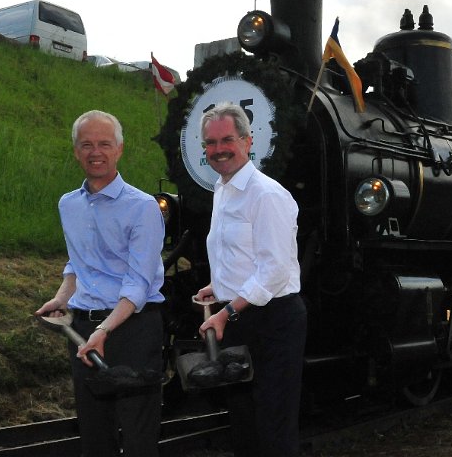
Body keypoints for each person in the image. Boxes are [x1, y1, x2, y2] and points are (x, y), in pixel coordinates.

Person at [35, 110, 166, 457]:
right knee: (94, 439)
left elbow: (138, 284)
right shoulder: (69, 204)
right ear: (76, 151)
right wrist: (61, 298)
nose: (96, 152)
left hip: (133, 330)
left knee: (139, 440)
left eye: (105, 144)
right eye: (87, 144)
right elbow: (78, 263)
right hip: (83, 330)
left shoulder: (143, 208)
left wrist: (104, 331)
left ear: (120, 149)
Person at [195, 102, 307, 457]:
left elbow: (274, 270)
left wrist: (227, 311)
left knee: (273, 426)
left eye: (227, 139)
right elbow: (244, 254)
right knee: (243, 423)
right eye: (210, 144)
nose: (218, 150)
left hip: (273, 320)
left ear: (248, 141)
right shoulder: (222, 189)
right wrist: (220, 285)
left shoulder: (266, 194)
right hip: (241, 315)